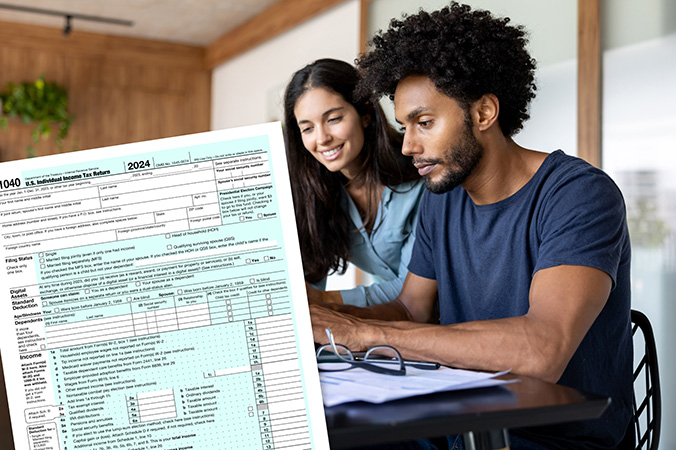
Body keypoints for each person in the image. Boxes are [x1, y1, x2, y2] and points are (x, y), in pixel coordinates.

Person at [309, 4, 633, 450]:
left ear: (483, 113)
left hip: (554, 440)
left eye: (424, 123)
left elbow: (542, 350)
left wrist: (362, 335)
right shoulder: (443, 200)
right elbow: (411, 311)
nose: (407, 146)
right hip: (461, 424)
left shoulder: (577, 194)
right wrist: (321, 316)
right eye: (404, 126)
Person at [283, 59, 425, 308]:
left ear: (365, 114)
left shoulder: (420, 174)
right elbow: (308, 284)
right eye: (307, 129)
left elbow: (411, 291)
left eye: (333, 119)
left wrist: (325, 300)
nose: (322, 139)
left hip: (451, 320)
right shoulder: (316, 196)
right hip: (393, 326)